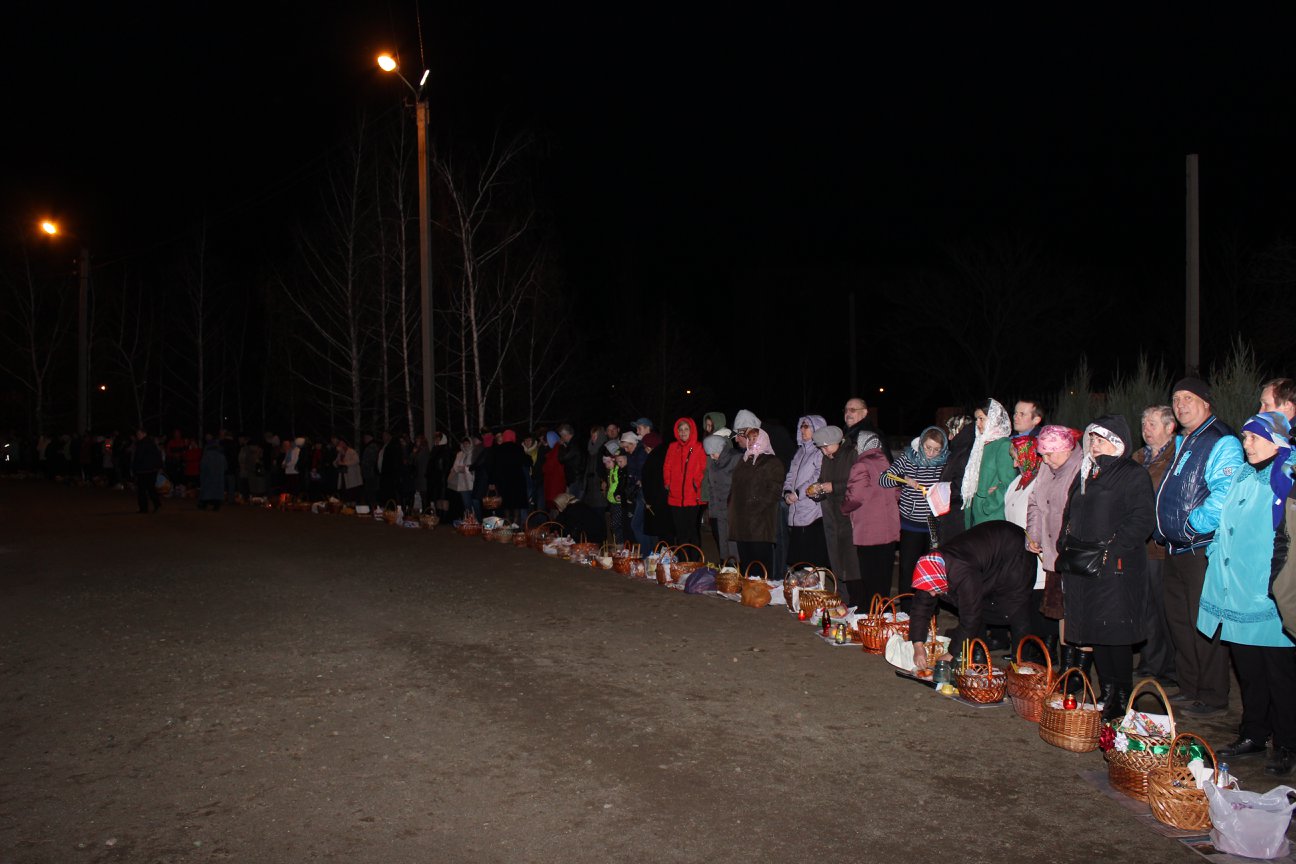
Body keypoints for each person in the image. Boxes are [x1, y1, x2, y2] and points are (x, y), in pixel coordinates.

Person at [1198, 412, 1295, 775]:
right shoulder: (1241, 472)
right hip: (1234, 588)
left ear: (1276, 440)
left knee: (1279, 674)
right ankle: (1253, 733)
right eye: (1244, 437)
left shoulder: (1287, 475)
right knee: (1249, 670)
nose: (1246, 444)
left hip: (1269, 592)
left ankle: (1287, 742)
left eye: (1254, 437)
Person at [1155, 377, 1245, 716]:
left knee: (1203, 625)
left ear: (1206, 402)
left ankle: (1212, 695)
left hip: (1201, 549)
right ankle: (1189, 686)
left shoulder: (1220, 440)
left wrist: (1193, 525)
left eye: (1188, 397)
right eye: (1175, 398)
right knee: (1179, 621)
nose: (1180, 404)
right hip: (1176, 549)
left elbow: (1225, 493)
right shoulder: (1186, 440)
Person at [1059, 416, 1155, 721]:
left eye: (1100, 439)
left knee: (1116, 631)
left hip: (1116, 567)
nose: (1093, 444)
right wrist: (1065, 539)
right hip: (1084, 564)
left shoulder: (1132, 474)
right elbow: (1070, 509)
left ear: (1118, 442)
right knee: (1096, 630)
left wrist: (1112, 549)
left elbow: (1142, 519)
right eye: (1092, 439)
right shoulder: (1088, 473)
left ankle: (1122, 695)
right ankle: (1108, 690)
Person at [908, 520, 1037, 671]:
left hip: (1014, 552)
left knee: (1016, 608)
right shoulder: (930, 568)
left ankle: (1022, 663)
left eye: (932, 589)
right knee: (978, 603)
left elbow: (970, 616)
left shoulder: (963, 574)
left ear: (940, 579)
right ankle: (978, 653)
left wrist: (951, 653)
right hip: (987, 553)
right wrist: (918, 645)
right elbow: (920, 607)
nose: (931, 593)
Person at [1027, 425, 1084, 665]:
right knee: (1060, 611)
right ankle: (1065, 665)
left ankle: (1077, 670)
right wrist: (1034, 535)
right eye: (1043, 455)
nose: (1045, 460)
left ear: (1066, 449)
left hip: (1073, 555)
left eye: (1050, 454)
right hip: (1052, 555)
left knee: (1076, 613)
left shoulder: (1080, 469)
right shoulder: (1046, 468)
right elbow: (1035, 502)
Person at [1132, 406, 1179, 685]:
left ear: (1169, 427)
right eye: (1144, 423)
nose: (1146, 429)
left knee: (1165, 608)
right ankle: (1150, 661)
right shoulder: (1138, 458)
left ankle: (1171, 667)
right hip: (1140, 545)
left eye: (1152, 423)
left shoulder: (1176, 458)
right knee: (1146, 606)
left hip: (1162, 546)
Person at [880, 426, 949, 608]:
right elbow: (883, 479)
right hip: (910, 524)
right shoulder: (908, 458)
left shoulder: (945, 462)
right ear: (921, 443)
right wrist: (903, 479)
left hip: (933, 524)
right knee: (908, 568)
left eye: (936, 449)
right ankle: (907, 609)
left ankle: (930, 611)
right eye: (928, 448)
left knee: (932, 569)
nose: (931, 453)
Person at [838, 427, 895, 607]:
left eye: (856, 445)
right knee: (884, 575)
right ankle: (883, 612)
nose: (855, 449)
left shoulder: (861, 465)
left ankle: (870, 613)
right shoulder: (887, 463)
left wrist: (844, 509)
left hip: (869, 529)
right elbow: (898, 492)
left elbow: (855, 496)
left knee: (869, 573)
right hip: (889, 528)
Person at [728, 428, 785, 573]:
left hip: (760, 522)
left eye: (756, 438)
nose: (752, 442)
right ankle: (749, 591)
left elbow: (774, 490)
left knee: (760, 562)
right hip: (742, 521)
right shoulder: (744, 460)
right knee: (746, 562)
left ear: (764, 440)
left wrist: (756, 506)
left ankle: (761, 592)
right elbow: (735, 486)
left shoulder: (772, 461)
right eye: (750, 439)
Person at [782, 415, 829, 567]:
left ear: (817, 428)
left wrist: (798, 493)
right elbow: (790, 475)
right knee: (798, 559)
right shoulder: (800, 452)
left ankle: (814, 589)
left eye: (806, 426)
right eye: (801, 426)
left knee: (811, 558)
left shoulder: (819, 452)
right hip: (797, 510)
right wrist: (787, 491)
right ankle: (802, 589)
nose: (802, 429)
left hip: (812, 513)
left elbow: (818, 476)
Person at [962, 398, 1015, 528]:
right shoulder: (981, 444)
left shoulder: (1003, 445)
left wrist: (988, 505)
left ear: (993, 419)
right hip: (975, 514)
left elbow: (1008, 483)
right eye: (976, 419)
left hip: (992, 516)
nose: (977, 423)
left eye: (981, 418)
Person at [663, 418, 706, 546]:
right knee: (680, 531)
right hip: (675, 496)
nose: (683, 432)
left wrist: (696, 483)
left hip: (692, 496)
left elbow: (704, 468)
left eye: (686, 429)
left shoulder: (698, 447)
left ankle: (694, 561)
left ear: (691, 430)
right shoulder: (673, 447)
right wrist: (668, 482)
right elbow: (667, 466)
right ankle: (682, 561)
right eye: (680, 429)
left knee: (692, 530)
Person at [937, 414, 974, 545]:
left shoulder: (965, 451)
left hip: (957, 514)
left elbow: (960, 484)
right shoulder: (959, 449)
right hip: (952, 510)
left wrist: (939, 494)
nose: (949, 437)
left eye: (952, 432)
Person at [703, 433, 740, 561]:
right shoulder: (714, 464)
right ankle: (727, 566)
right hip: (719, 510)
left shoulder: (735, 459)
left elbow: (740, 485)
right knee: (723, 541)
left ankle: (737, 568)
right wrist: (712, 510)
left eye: (714, 453)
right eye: (710, 454)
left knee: (733, 542)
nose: (712, 457)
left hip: (732, 508)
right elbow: (712, 488)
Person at [639, 431, 670, 544]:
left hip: (658, 501)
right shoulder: (662, 455)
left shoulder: (654, 458)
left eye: (646, 447)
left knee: (662, 533)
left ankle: (663, 556)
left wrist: (649, 500)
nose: (645, 450)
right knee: (665, 532)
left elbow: (650, 480)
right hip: (663, 500)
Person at [131, 429, 163, 514]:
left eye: (139, 434)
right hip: (150, 469)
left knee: (142, 490)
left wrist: (134, 468)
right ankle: (156, 504)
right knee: (150, 488)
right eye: (137, 434)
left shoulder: (142, 443)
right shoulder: (151, 443)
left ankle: (144, 508)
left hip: (144, 470)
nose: (138, 436)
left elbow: (139, 457)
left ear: (144, 434)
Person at [448, 437, 480, 520]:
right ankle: (470, 523)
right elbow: (455, 467)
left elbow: (474, 466)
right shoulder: (459, 454)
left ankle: (479, 521)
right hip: (462, 483)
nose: (466, 445)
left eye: (467, 443)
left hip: (472, 482)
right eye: (464, 443)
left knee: (475, 503)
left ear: (470, 443)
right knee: (466, 504)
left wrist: (464, 468)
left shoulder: (474, 452)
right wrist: (465, 468)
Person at [197, 435, 228, 511]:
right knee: (217, 493)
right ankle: (216, 505)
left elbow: (202, 466)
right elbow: (226, 467)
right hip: (219, 479)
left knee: (207, 491)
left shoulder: (206, 455)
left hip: (208, 477)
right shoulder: (221, 456)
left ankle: (203, 504)